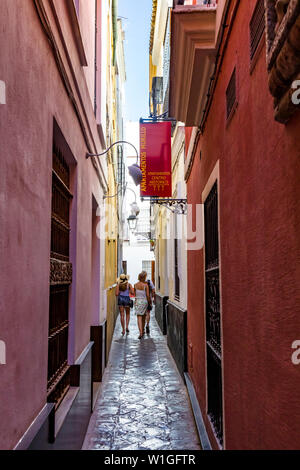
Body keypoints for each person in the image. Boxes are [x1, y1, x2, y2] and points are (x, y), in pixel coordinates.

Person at [134, 271, 151, 339]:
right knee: (144, 315)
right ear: (144, 277)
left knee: (139, 317)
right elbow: (147, 295)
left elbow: (135, 295)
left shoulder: (135, 285)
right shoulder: (145, 285)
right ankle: (143, 330)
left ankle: (140, 332)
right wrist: (149, 302)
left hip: (138, 301)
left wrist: (136, 301)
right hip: (144, 301)